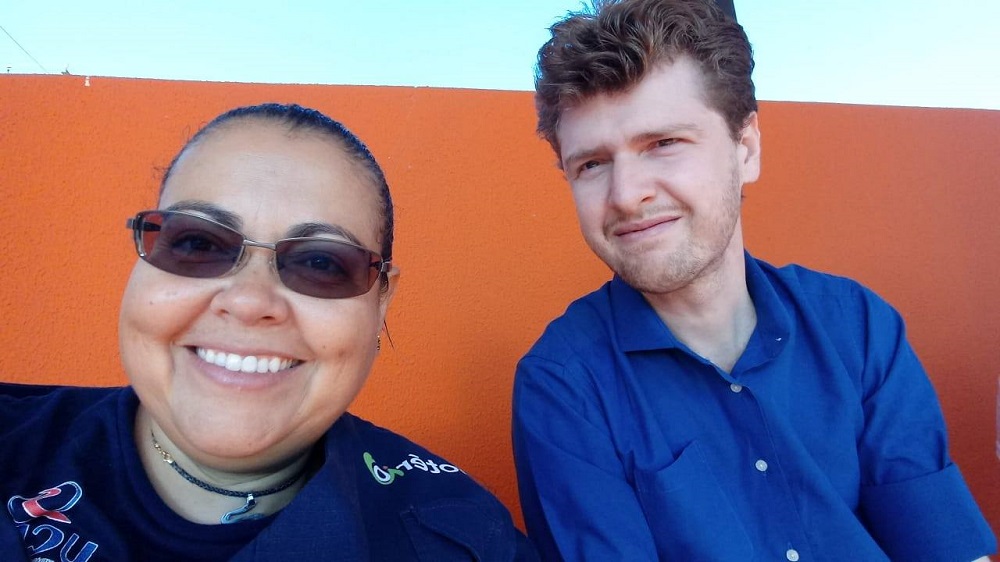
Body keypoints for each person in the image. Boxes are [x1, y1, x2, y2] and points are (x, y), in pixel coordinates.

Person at [511, 1, 997, 560]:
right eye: (592, 164)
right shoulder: (566, 386)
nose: (625, 195)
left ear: (746, 149)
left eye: (664, 143)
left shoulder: (856, 326)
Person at [1, 103, 536, 561]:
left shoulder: (466, 540)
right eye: (198, 244)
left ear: (381, 302)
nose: (249, 301)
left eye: (321, 262)